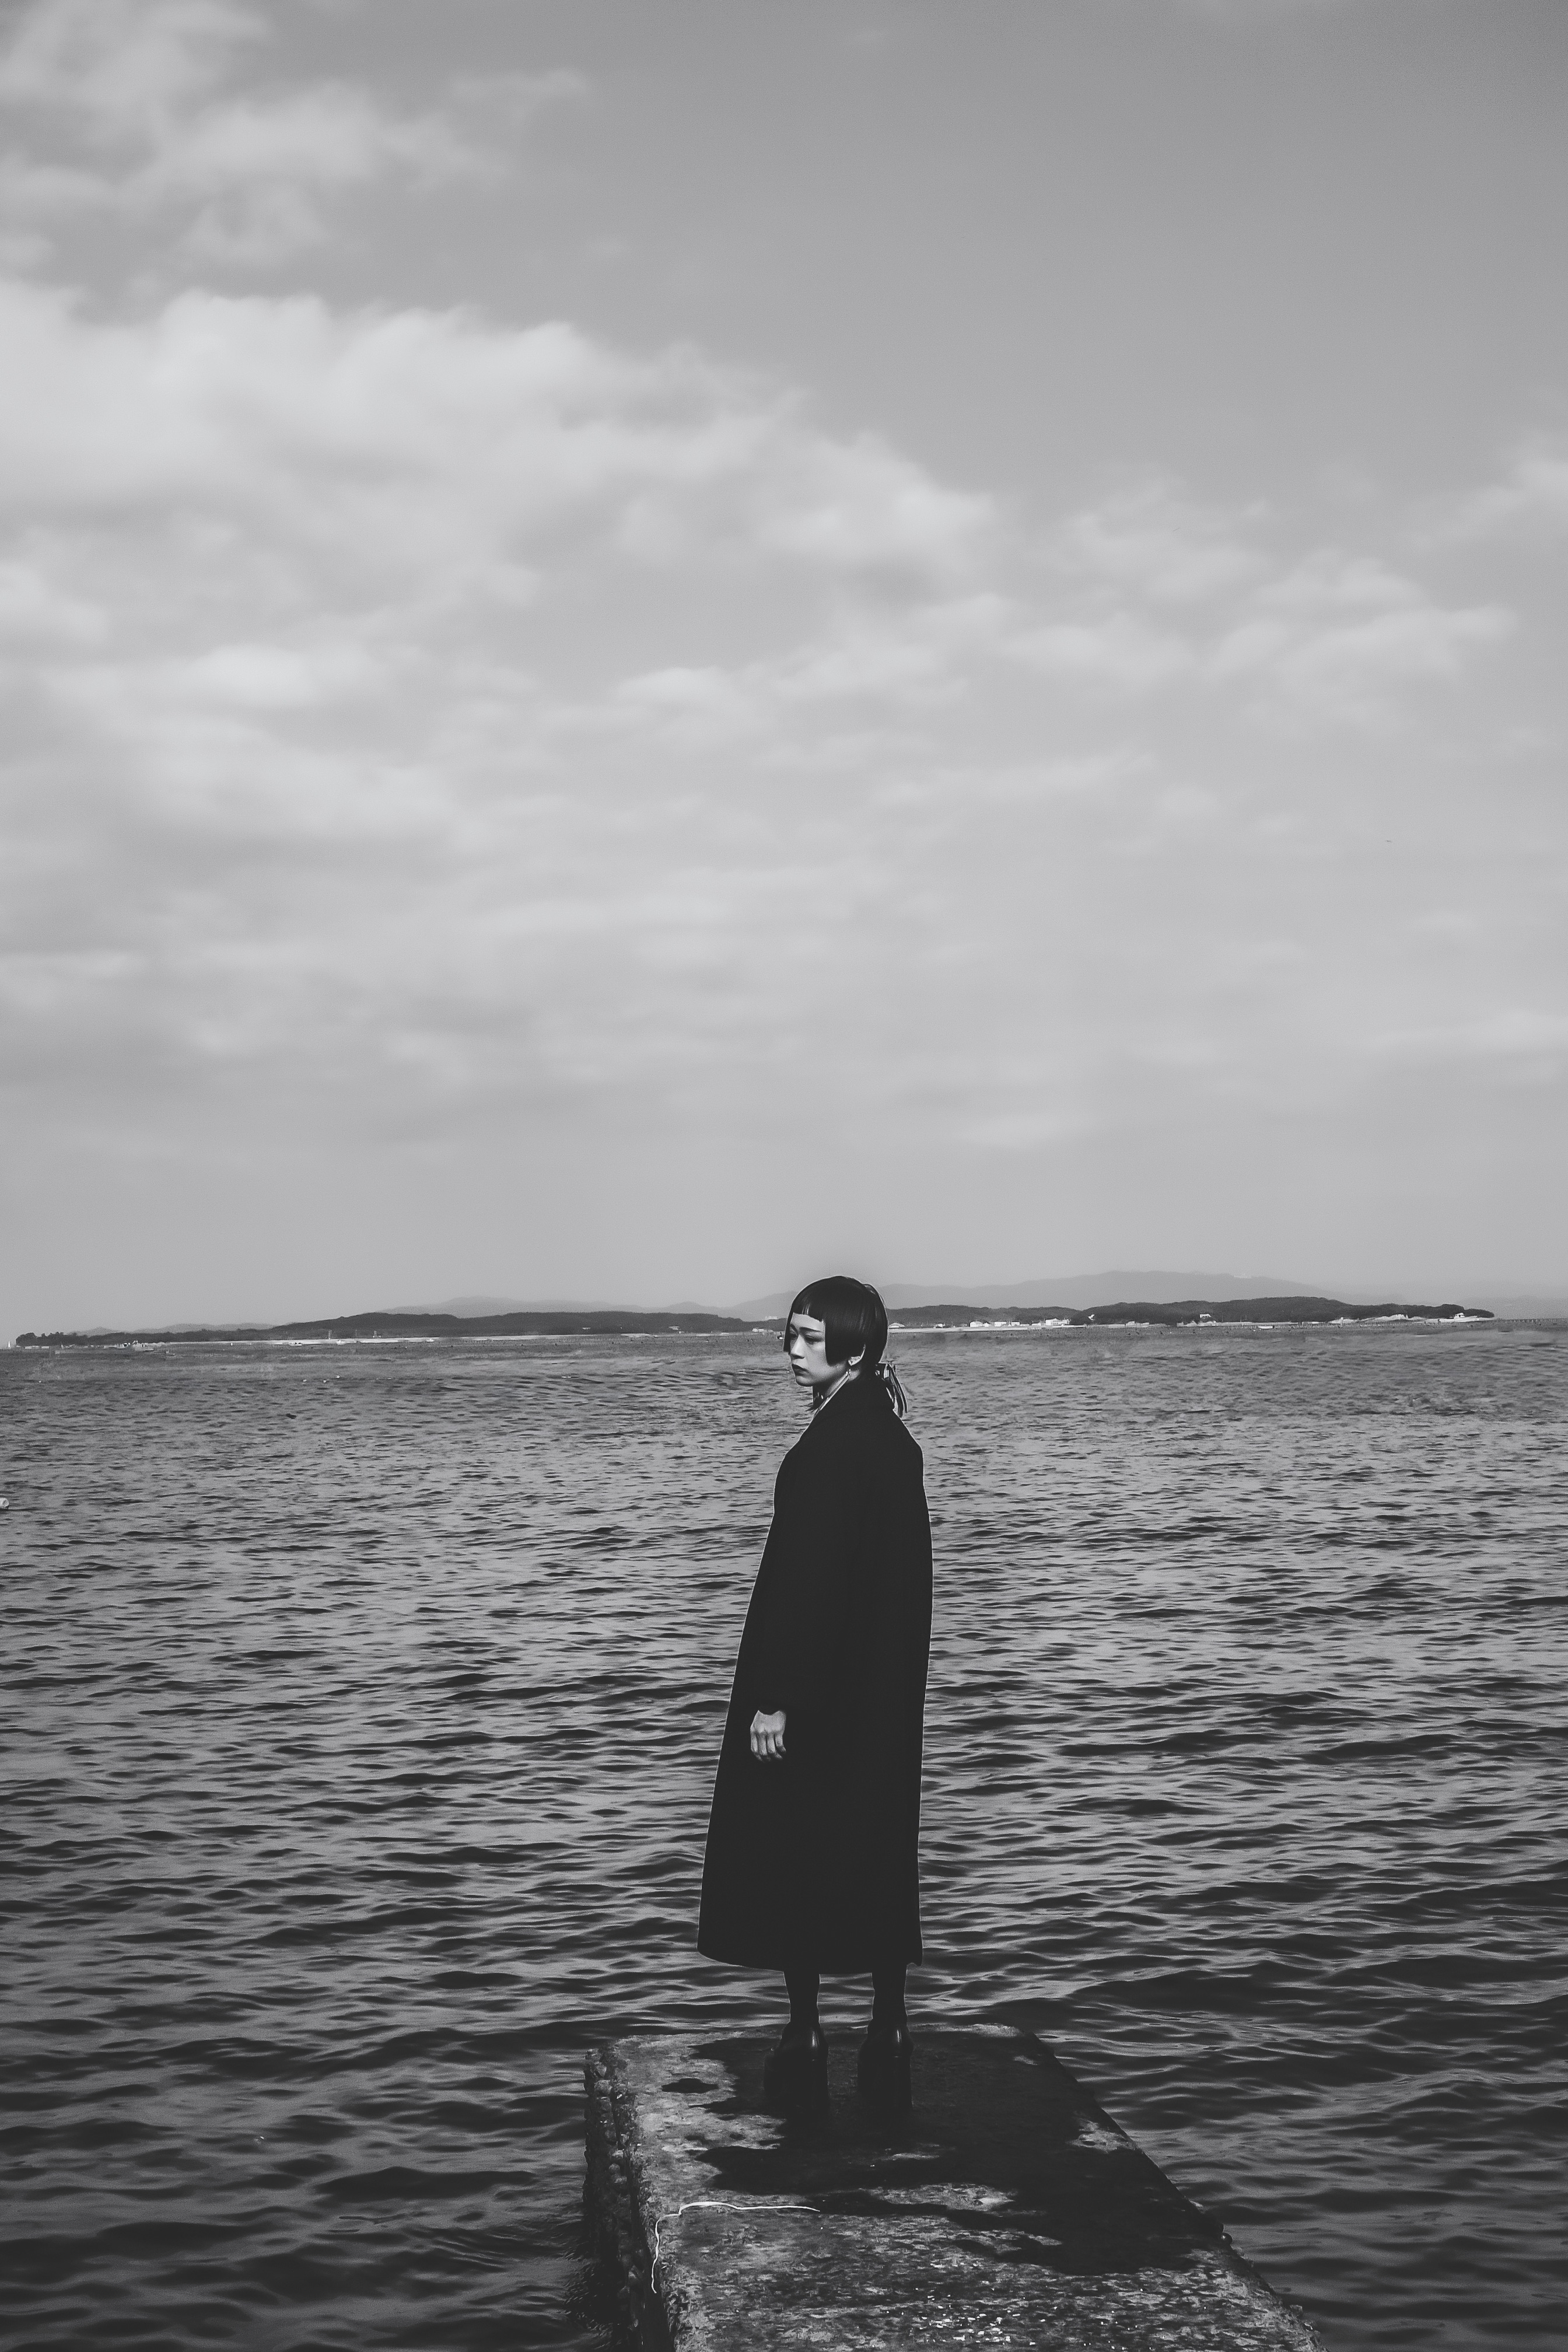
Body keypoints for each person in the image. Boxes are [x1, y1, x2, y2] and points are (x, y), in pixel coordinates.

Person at [697, 1275, 934, 2116]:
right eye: (789, 1334)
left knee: (794, 1842)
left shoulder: (830, 1448)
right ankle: (889, 2027)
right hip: (880, 1689)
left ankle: (805, 2030)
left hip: (816, 1690)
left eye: (808, 1336)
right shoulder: (892, 1439)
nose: (792, 1350)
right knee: (877, 1846)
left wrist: (779, 1697)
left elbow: (807, 1584)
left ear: (855, 1349)